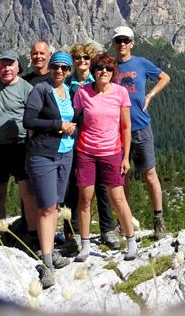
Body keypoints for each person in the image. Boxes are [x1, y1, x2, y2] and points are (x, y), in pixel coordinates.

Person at [71, 52, 138, 261]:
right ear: (94, 71)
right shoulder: (82, 93)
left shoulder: (120, 93)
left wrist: (126, 157)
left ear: (113, 72)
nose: (104, 72)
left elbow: (126, 127)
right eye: (100, 68)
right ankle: (85, 245)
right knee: (85, 200)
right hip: (86, 153)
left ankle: (131, 242)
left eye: (109, 69)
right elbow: (73, 119)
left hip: (112, 153)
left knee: (118, 198)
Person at [23, 51, 77, 288]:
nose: (59, 71)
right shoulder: (41, 90)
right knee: (46, 208)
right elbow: (29, 120)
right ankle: (46, 263)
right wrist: (59, 125)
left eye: (64, 68)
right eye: (55, 67)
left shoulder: (69, 92)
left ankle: (50, 250)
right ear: (50, 68)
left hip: (65, 153)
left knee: (54, 205)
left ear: (69, 72)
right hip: (43, 155)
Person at [111, 25, 171, 238]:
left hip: (141, 127)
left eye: (126, 40)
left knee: (150, 174)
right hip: (117, 132)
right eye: (118, 41)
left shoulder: (141, 63)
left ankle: (158, 220)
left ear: (132, 43)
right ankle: (123, 222)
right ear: (114, 44)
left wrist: (151, 95)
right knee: (121, 177)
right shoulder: (109, 67)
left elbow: (165, 77)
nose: (122, 44)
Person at [0, 50, 41, 246]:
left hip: (20, 147)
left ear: (18, 67)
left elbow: (35, 117)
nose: (6, 68)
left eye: (10, 64)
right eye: (2, 65)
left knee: (27, 193)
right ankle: (0, 237)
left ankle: (33, 236)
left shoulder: (26, 88)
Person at [63, 41, 119, 251]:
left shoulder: (98, 82)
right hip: (72, 140)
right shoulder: (67, 83)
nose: (82, 61)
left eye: (87, 58)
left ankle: (107, 229)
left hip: (97, 142)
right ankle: (72, 232)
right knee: (76, 188)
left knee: (102, 188)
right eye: (78, 58)